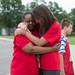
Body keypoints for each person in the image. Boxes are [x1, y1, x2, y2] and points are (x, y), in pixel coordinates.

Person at [15, 4, 62, 75]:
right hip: (39, 65)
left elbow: (39, 43)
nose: (36, 21)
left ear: (43, 16)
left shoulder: (55, 26)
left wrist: (25, 32)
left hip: (51, 65)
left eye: (37, 18)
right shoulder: (41, 24)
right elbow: (26, 22)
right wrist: (21, 25)